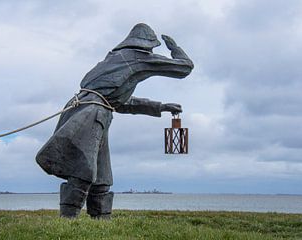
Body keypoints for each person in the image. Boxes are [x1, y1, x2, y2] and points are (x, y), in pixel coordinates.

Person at [36, 23, 194, 219]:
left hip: (92, 111)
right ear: (146, 45)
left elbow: (119, 101)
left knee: (102, 177)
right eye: (152, 47)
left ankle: (101, 220)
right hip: (91, 113)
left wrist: (160, 107)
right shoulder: (137, 57)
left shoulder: (113, 59)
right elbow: (185, 67)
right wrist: (174, 47)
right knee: (82, 169)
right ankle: (67, 221)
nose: (152, 51)